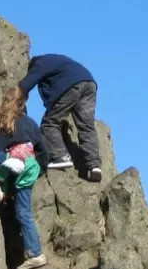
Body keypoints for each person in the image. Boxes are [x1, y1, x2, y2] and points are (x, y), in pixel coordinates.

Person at [0, 88, 47, 269]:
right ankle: (37, 254)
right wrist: (38, 170)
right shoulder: (31, 123)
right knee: (24, 213)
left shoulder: (9, 123)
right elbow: (44, 152)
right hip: (29, 169)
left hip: (15, 164)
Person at [19, 53, 102, 182]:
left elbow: (27, 83)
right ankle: (94, 165)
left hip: (71, 84)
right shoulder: (57, 61)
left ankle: (60, 156)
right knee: (86, 127)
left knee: (50, 123)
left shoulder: (40, 63)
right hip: (90, 83)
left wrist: (15, 97)